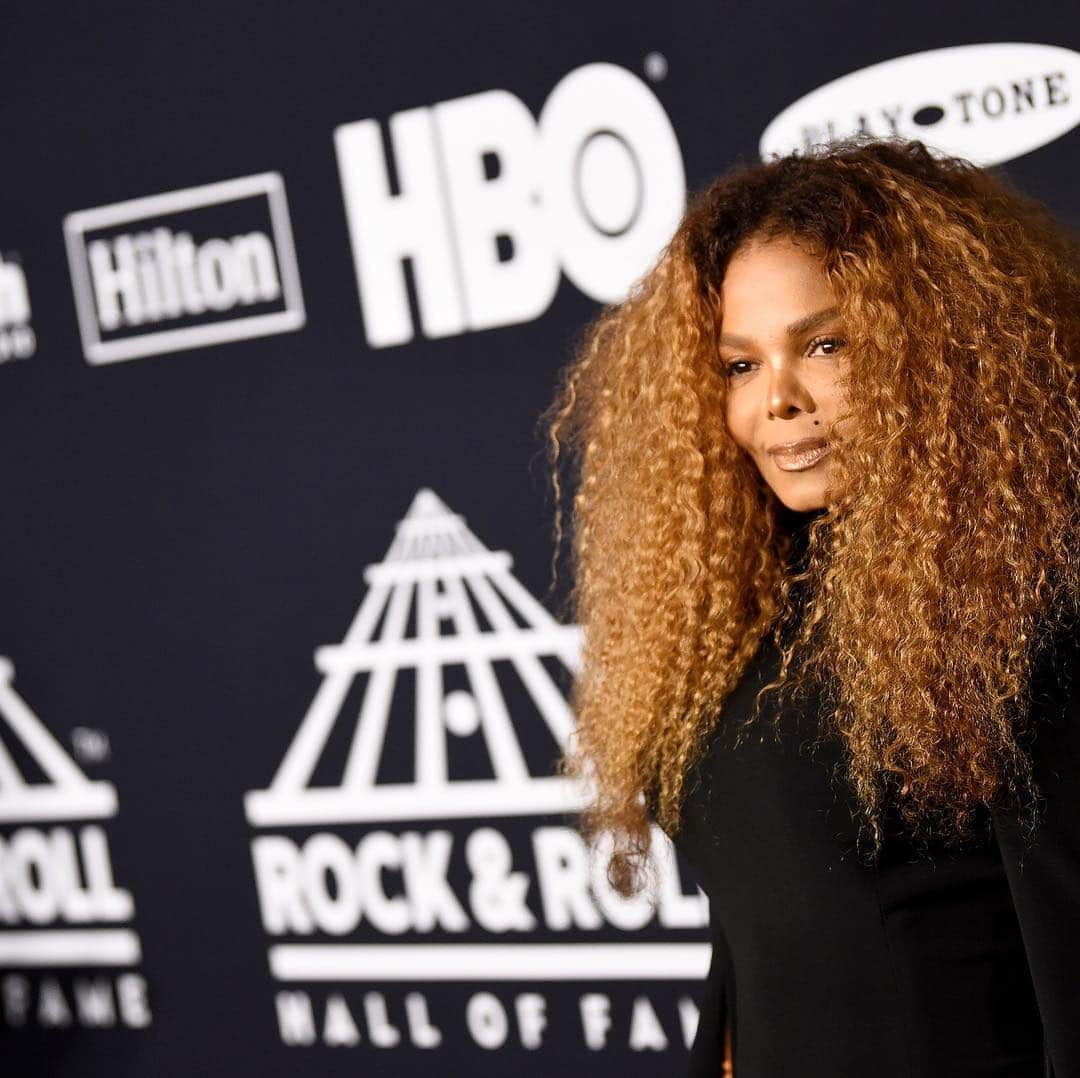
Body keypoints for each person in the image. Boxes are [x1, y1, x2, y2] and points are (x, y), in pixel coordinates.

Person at [540, 136, 1080, 1077]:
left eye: (826, 345)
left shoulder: (1018, 600)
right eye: (740, 366)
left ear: (933, 350)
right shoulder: (739, 605)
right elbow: (763, 928)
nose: (777, 402)